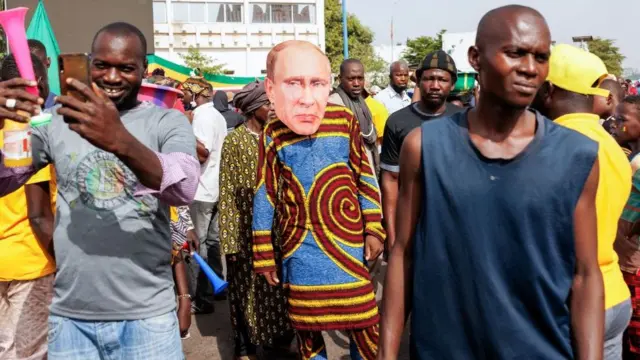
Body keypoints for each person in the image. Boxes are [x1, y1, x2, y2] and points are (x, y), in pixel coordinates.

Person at [378, 6, 603, 360]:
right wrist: (387, 355)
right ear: (475, 58)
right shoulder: (425, 147)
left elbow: (586, 276)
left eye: (541, 57)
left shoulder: (577, 155)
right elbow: (403, 254)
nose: (530, 68)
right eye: (515, 53)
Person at [0, 22, 198, 359]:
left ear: (143, 70)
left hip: (147, 316)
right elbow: (8, 179)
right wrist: (7, 125)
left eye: (126, 68)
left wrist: (120, 140)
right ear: (89, 63)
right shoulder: (55, 122)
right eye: (102, 65)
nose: (112, 77)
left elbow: (183, 187)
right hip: (72, 318)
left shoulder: (166, 122)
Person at [253, 40, 385, 360]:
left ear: (327, 85)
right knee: (308, 330)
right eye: (294, 83)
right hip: (299, 245)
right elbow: (265, 192)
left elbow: (363, 175)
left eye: (316, 82)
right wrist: (264, 252)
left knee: (365, 322)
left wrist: (373, 228)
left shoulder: (344, 120)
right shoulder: (273, 132)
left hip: (347, 241)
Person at [533, 43, 632, 360]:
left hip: (570, 302)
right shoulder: (615, 147)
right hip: (614, 295)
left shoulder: (550, 147)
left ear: (548, 90)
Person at [219, 81, 293, 360]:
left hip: (280, 228)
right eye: (267, 104)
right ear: (251, 109)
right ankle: (246, 343)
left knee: (276, 290)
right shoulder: (234, 141)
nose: (273, 108)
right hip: (245, 230)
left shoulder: (281, 137)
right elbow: (226, 192)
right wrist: (230, 241)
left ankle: (280, 340)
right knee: (245, 291)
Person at [0, 54, 56, 360]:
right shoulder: (27, 133)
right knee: (32, 352)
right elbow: (37, 214)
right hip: (31, 261)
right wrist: (64, 262)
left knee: (5, 348)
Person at [380, 50, 462, 251]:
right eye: (429, 79)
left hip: (455, 225)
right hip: (412, 225)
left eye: (442, 79)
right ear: (418, 82)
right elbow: (390, 180)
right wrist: (392, 237)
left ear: (451, 84)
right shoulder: (398, 122)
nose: (435, 85)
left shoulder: (464, 120)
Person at [181, 77, 227, 314]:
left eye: (185, 93)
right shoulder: (217, 115)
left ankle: (202, 297)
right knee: (213, 241)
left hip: (202, 189)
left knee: (198, 245)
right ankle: (218, 287)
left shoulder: (200, 117)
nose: (183, 98)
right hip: (216, 187)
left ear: (195, 94)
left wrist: (186, 129)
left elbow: (202, 153)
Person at [612, 96, 640, 358]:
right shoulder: (631, 155)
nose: (615, 124)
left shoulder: (637, 162)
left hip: (634, 262)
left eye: (622, 120)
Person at [329, 58, 387, 175]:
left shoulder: (363, 103)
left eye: (360, 78)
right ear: (340, 79)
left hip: (368, 169)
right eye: (351, 79)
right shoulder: (333, 104)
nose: (356, 83)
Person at [28, 39, 56, 110]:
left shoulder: (60, 107)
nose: (34, 74)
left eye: (38, 67)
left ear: (48, 62)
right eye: (28, 68)